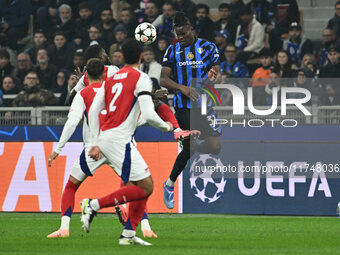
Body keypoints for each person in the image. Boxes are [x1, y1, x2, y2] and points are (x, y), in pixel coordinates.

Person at [81, 39, 173, 245]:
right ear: (141, 56)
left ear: (121, 57)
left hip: (108, 137)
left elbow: (94, 110)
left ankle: (128, 234)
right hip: (120, 139)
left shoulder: (111, 79)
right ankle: (93, 205)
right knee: (146, 187)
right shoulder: (141, 77)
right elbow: (149, 114)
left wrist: (95, 140)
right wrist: (166, 126)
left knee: (141, 185)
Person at [161, 12, 220, 209]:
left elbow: (216, 68)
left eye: (184, 33)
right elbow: (163, 79)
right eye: (178, 34)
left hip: (206, 106)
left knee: (215, 147)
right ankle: (169, 184)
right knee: (188, 148)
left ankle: (192, 146)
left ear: (191, 30)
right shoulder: (172, 51)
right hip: (183, 107)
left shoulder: (208, 47)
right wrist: (182, 88)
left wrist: (214, 73)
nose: (181, 37)